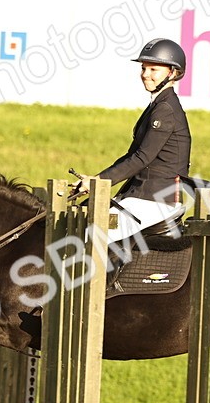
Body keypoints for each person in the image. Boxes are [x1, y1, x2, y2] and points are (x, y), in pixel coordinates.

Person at [74, 38, 191, 286]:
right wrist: (95, 181)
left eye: (153, 69)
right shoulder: (156, 105)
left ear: (173, 73)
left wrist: (98, 182)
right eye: (143, 68)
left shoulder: (166, 110)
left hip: (157, 198)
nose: (145, 75)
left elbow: (142, 158)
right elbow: (130, 156)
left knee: (95, 232)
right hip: (142, 194)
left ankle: (101, 299)